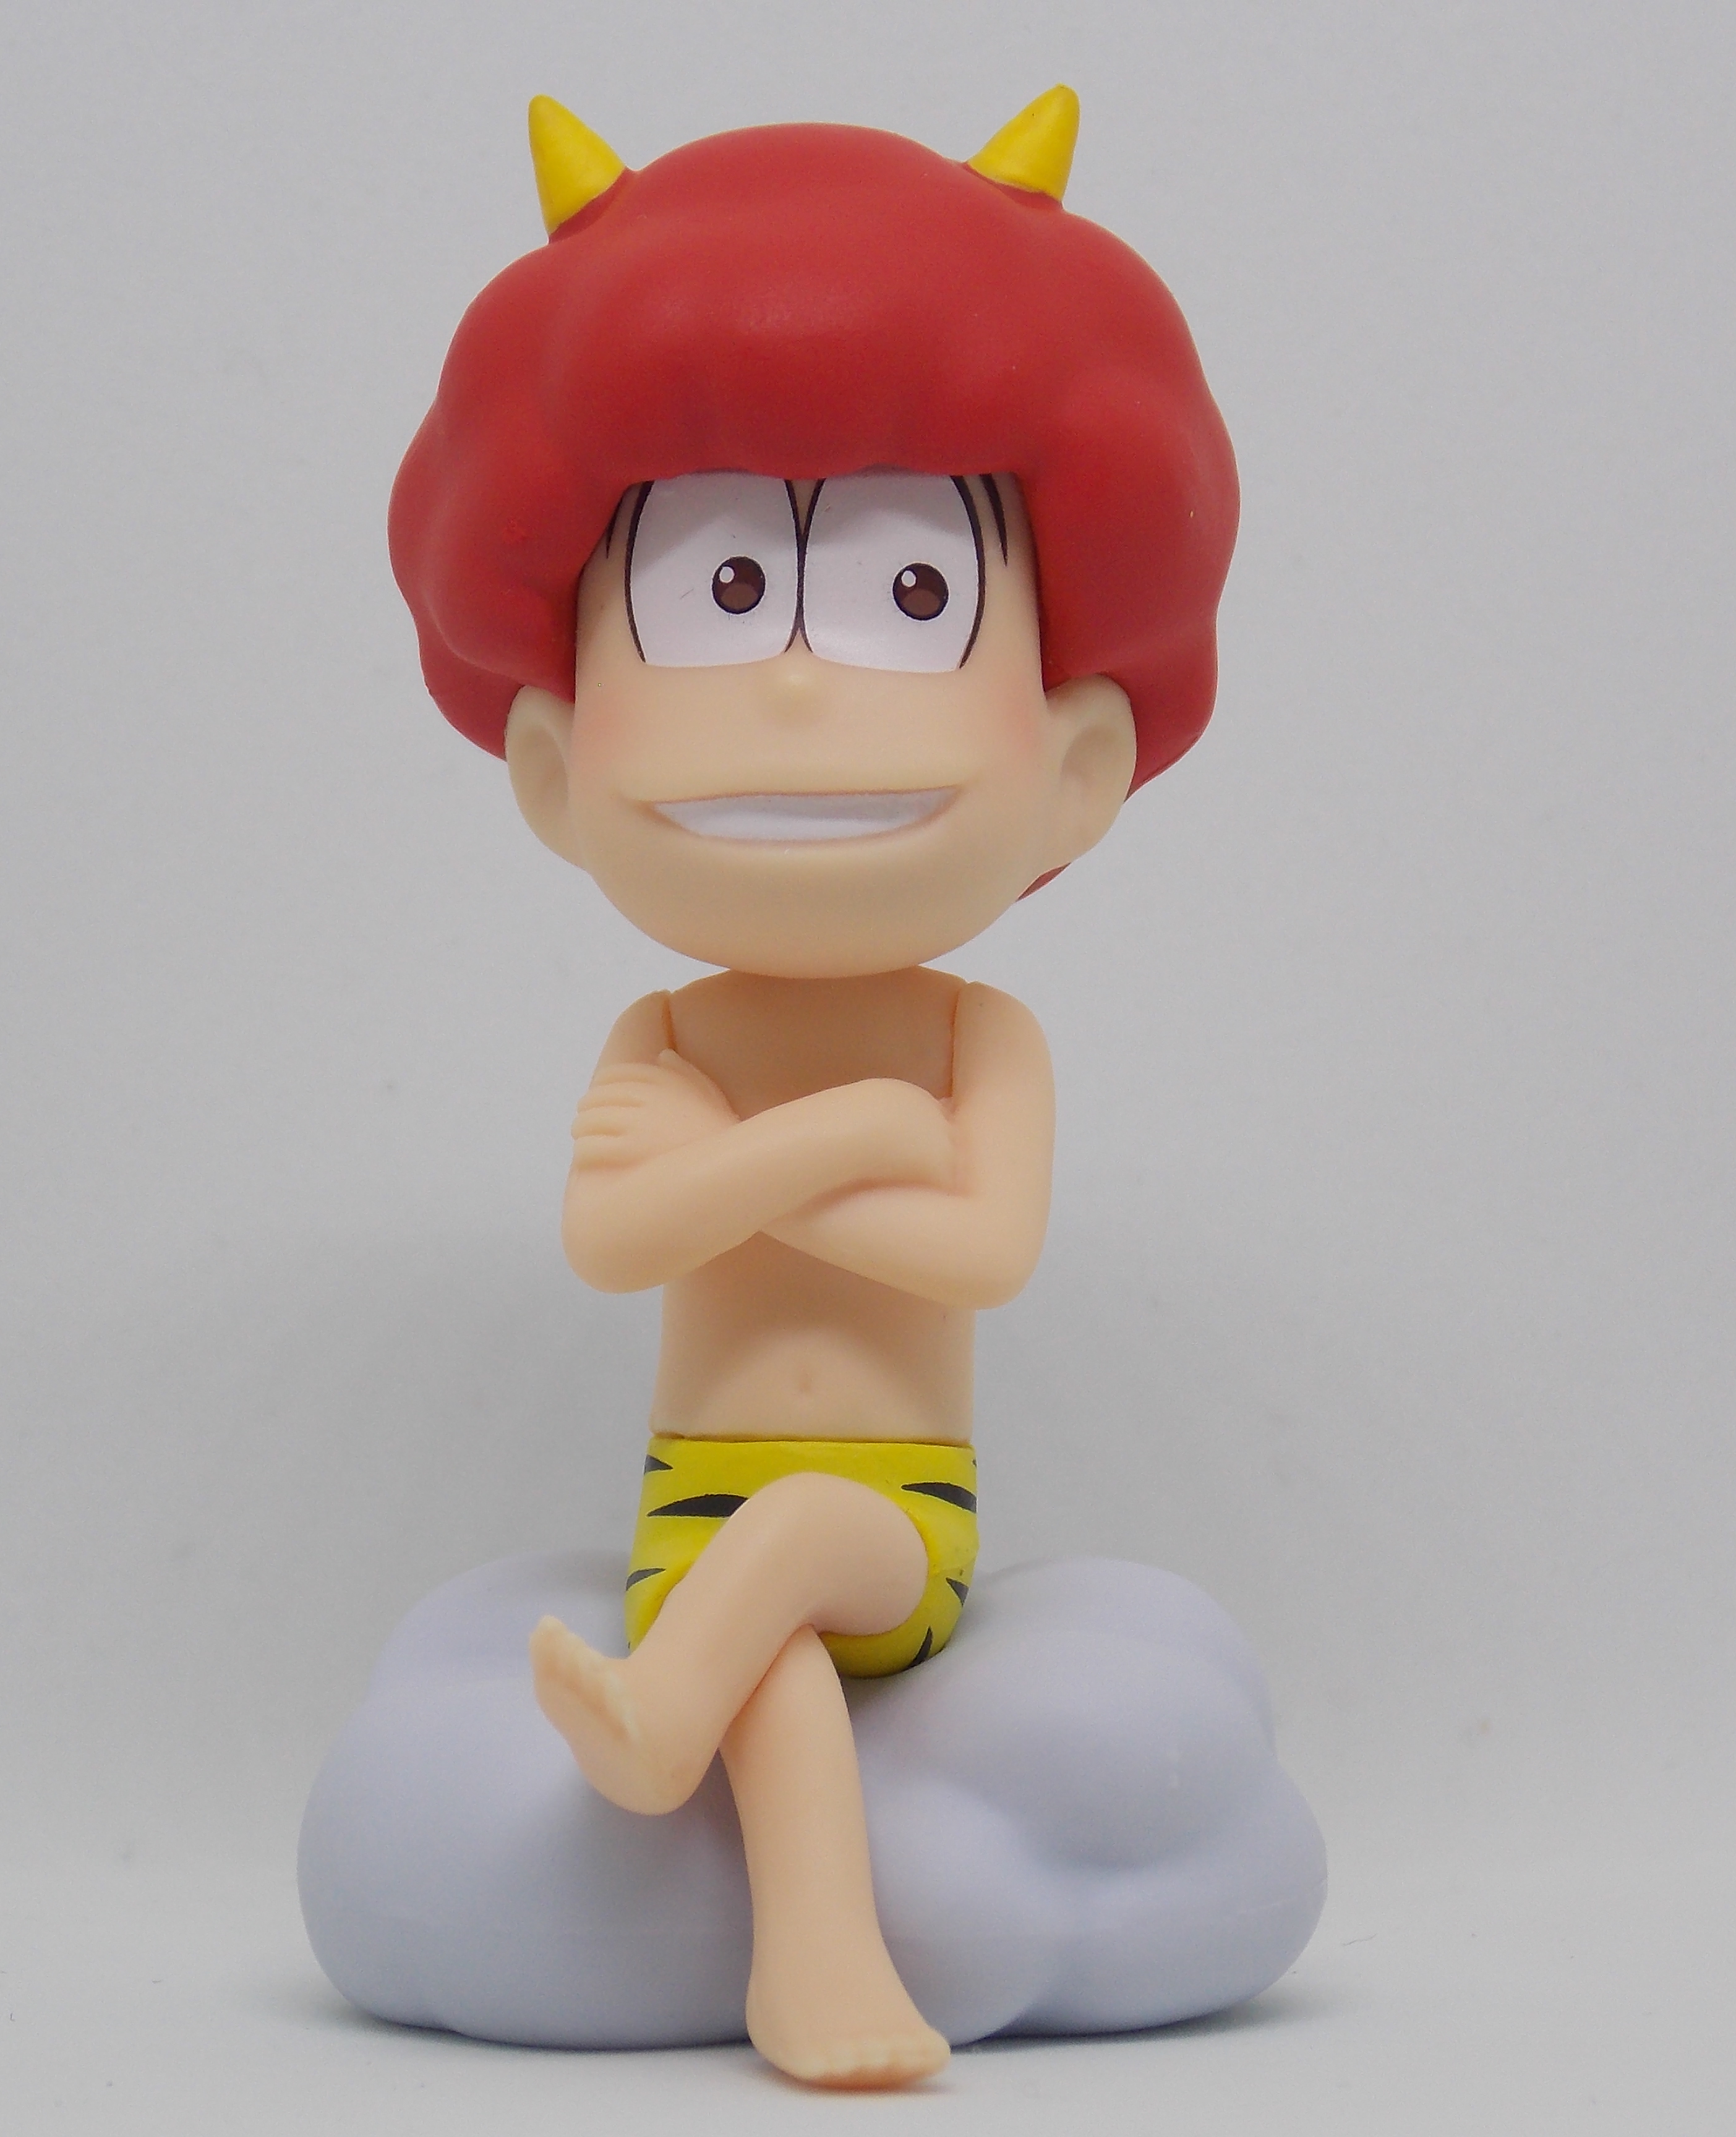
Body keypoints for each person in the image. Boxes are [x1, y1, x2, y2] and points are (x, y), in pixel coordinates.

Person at [387, 87, 1237, 2089]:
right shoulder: (674, 1034)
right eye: (716, 595)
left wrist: (754, 1159)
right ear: (555, 766)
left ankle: (657, 1726)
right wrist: (850, 1141)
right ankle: (817, 1970)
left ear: (1078, 766)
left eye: (910, 597)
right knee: (756, 1627)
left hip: (898, 1529)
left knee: (797, 1557)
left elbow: (983, 1249)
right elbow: (616, 1240)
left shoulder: (974, 1039)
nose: (787, 688)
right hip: (690, 1518)